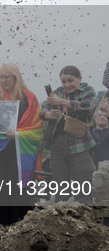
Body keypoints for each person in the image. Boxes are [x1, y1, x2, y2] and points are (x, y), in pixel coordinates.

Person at [0, 63, 43, 226]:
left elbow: (37, 129)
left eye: (7, 76)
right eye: (1, 77)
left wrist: (18, 135)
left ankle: (17, 230)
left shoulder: (29, 97)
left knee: (18, 194)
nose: (3, 80)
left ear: (16, 77)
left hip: (20, 155)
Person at [41, 66, 97, 205]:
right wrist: (48, 114)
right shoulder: (58, 92)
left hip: (79, 144)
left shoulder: (88, 91)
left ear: (80, 79)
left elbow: (88, 106)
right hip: (57, 145)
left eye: (70, 80)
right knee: (61, 191)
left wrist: (62, 103)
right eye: (63, 81)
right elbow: (44, 106)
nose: (67, 85)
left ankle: (85, 222)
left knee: (83, 189)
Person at [91, 101, 109, 168]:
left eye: (105, 116)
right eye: (100, 115)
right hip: (92, 168)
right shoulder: (90, 132)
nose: (102, 117)